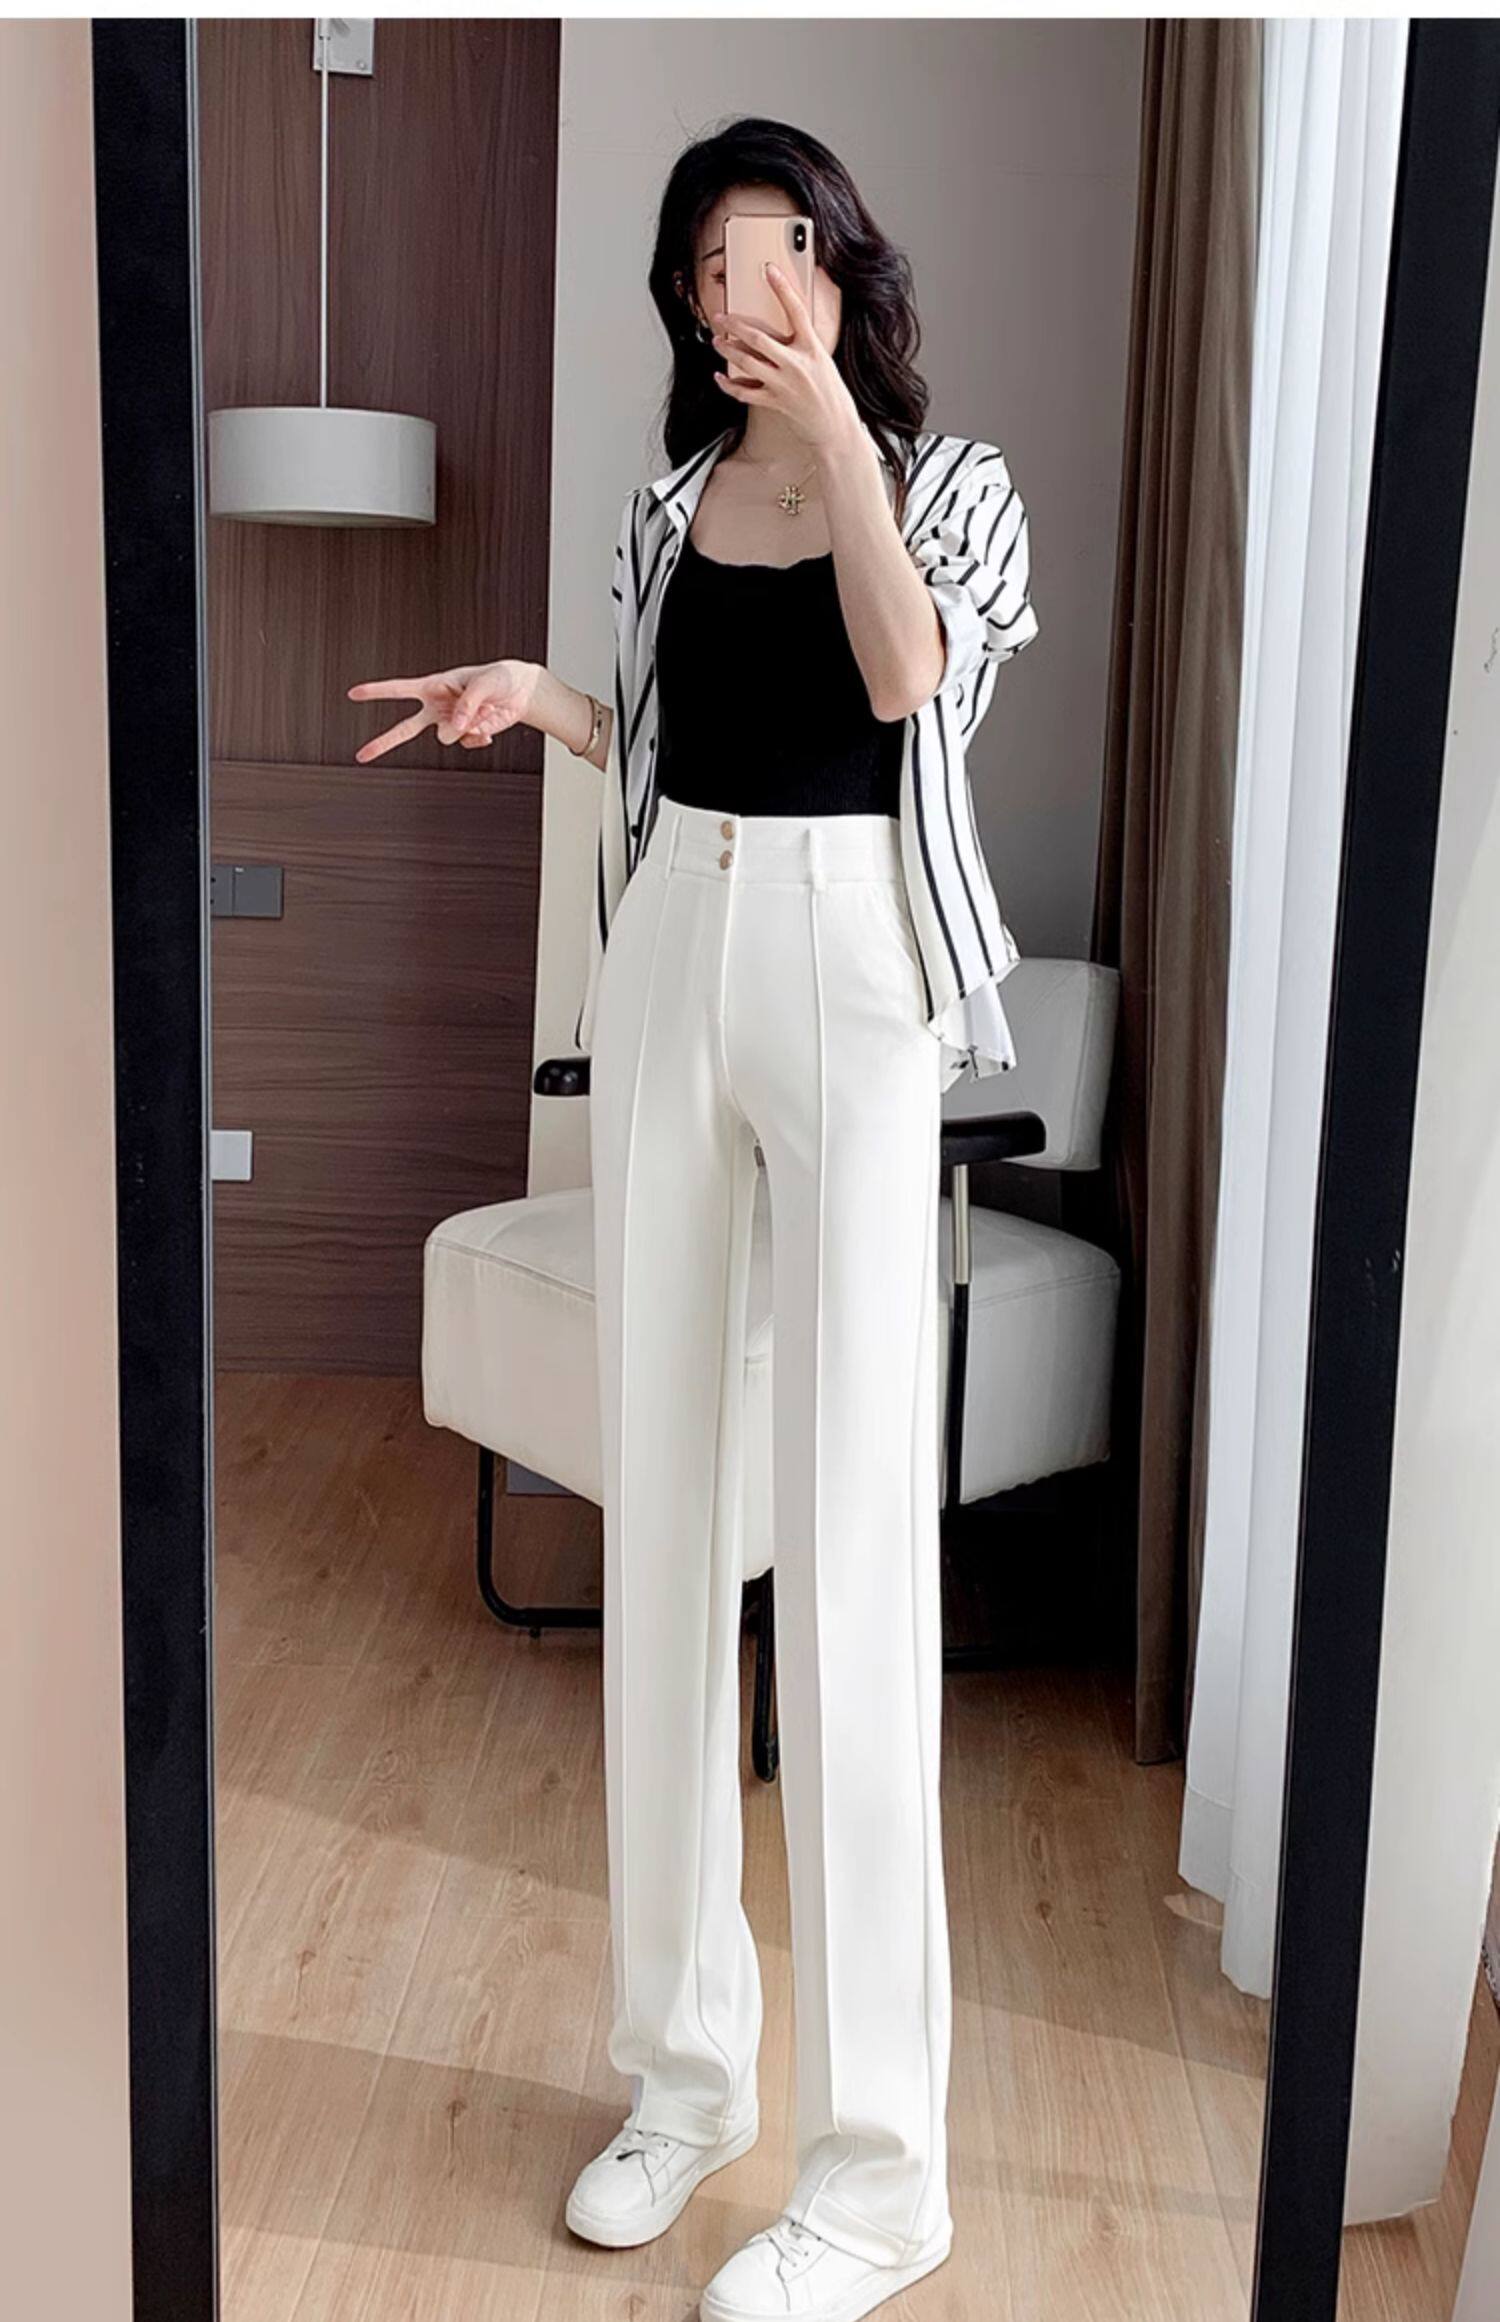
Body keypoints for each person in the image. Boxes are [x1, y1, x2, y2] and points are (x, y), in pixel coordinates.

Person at [350, 113, 1038, 2322]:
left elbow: (906, 680)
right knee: (662, 1527)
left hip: (853, 978)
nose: (754, 291)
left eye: (787, 251)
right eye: (717, 264)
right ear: (684, 298)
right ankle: (684, 2073)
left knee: (849, 1556)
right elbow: (661, 746)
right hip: (671, 951)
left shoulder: (951, 485)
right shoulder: (665, 504)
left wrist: (836, 436)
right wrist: (537, 697)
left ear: (845, 266)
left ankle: (883, 2176)